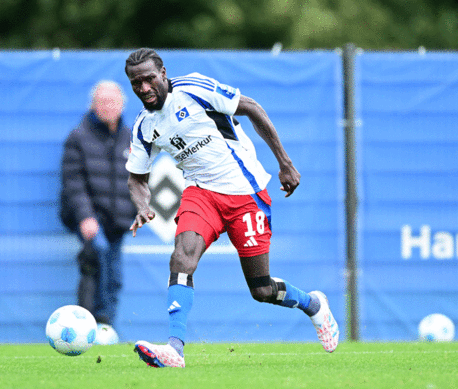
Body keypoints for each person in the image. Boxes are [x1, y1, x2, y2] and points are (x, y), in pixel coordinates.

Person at [123, 48, 339, 368]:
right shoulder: (144, 125)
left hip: (245, 194)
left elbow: (251, 107)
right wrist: (143, 206)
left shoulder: (195, 89)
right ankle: (175, 347)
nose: (143, 88)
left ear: (163, 73)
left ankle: (313, 304)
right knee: (181, 258)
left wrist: (285, 163)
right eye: (135, 83)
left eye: (149, 79)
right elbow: (137, 178)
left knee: (262, 289)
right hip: (201, 194)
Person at [59, 80, 136, 338]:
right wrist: (86, 217)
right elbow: (73, 182)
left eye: (113, 100)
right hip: (91, 219)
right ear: (93, 105)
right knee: (96, 259)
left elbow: (139, 179)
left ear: (122, 104)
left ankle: (106, 327)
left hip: (119, 221)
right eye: (103, 101)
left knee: (114, 277)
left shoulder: (130, 137)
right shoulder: (79, 136)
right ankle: (89, 324)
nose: (108, 105)